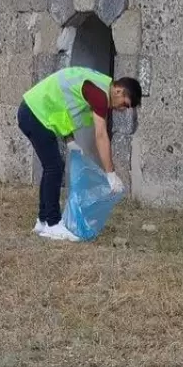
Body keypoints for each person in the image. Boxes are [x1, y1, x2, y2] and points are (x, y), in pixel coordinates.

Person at [17, 65, 142, 242]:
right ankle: (53, 224)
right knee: (54, 167)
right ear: (119, 90)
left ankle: (43, 221)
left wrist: (70, 140)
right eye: (124, 104)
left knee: (51, 166)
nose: (122, 110)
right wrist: (111, 174)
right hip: (35, 113)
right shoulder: (99, 95)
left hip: (32, 111)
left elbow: (64, 105)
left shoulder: (97, 85)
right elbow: (100, 135)